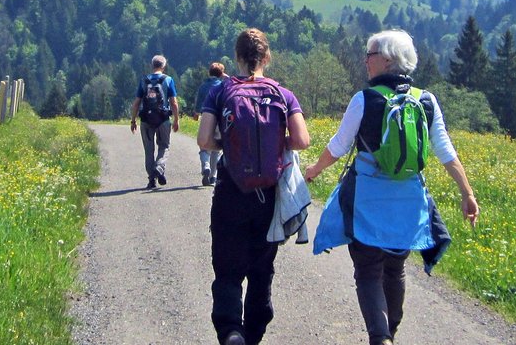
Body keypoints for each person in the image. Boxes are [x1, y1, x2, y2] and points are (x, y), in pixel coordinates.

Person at [305, 29, 479, 345]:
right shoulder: (426, 100)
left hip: (368, 200)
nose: (365, 60)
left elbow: (339, 146)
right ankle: (390, 332)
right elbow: (445, 151)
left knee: (369, 270)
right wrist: (467, 193)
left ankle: (380, 336)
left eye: (369, 54)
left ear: (386, 59)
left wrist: (314, 170)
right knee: (395, 268)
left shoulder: (365, 99)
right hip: (408, 202)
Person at [197, 28, 310, 345]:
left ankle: (231, 329)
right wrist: (275, 144)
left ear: (237, 57)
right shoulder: (283, 94)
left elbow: (204, 140)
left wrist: (231, 147)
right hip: (269, 194)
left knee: (227, 266)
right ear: (266, 57)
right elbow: (301, 140)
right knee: (262, 265)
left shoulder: (220, 92)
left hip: (231, 190)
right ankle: (255, 331)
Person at [131, 55, 179, 189]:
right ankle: (159, 167)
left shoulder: (144, 80)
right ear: (164, 66)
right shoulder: (168, 80)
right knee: (164, 146)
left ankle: (151, 179)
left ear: (152, 65)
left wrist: (133, 120)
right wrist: (176, 119)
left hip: (146, 119)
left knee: (149, 150)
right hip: (163, 119)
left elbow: (136, 103)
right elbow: (173, 102)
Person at [194, 62, 227, 186]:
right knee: (216, 149)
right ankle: (213, 176)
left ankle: (205, 166)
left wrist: (196, 113)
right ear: (221, 73)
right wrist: (225, 76)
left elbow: (199, 102)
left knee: (204, 146)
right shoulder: (223, 86)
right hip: (220, 119)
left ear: (209, 72)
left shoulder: (203, 86)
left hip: (206, 118)